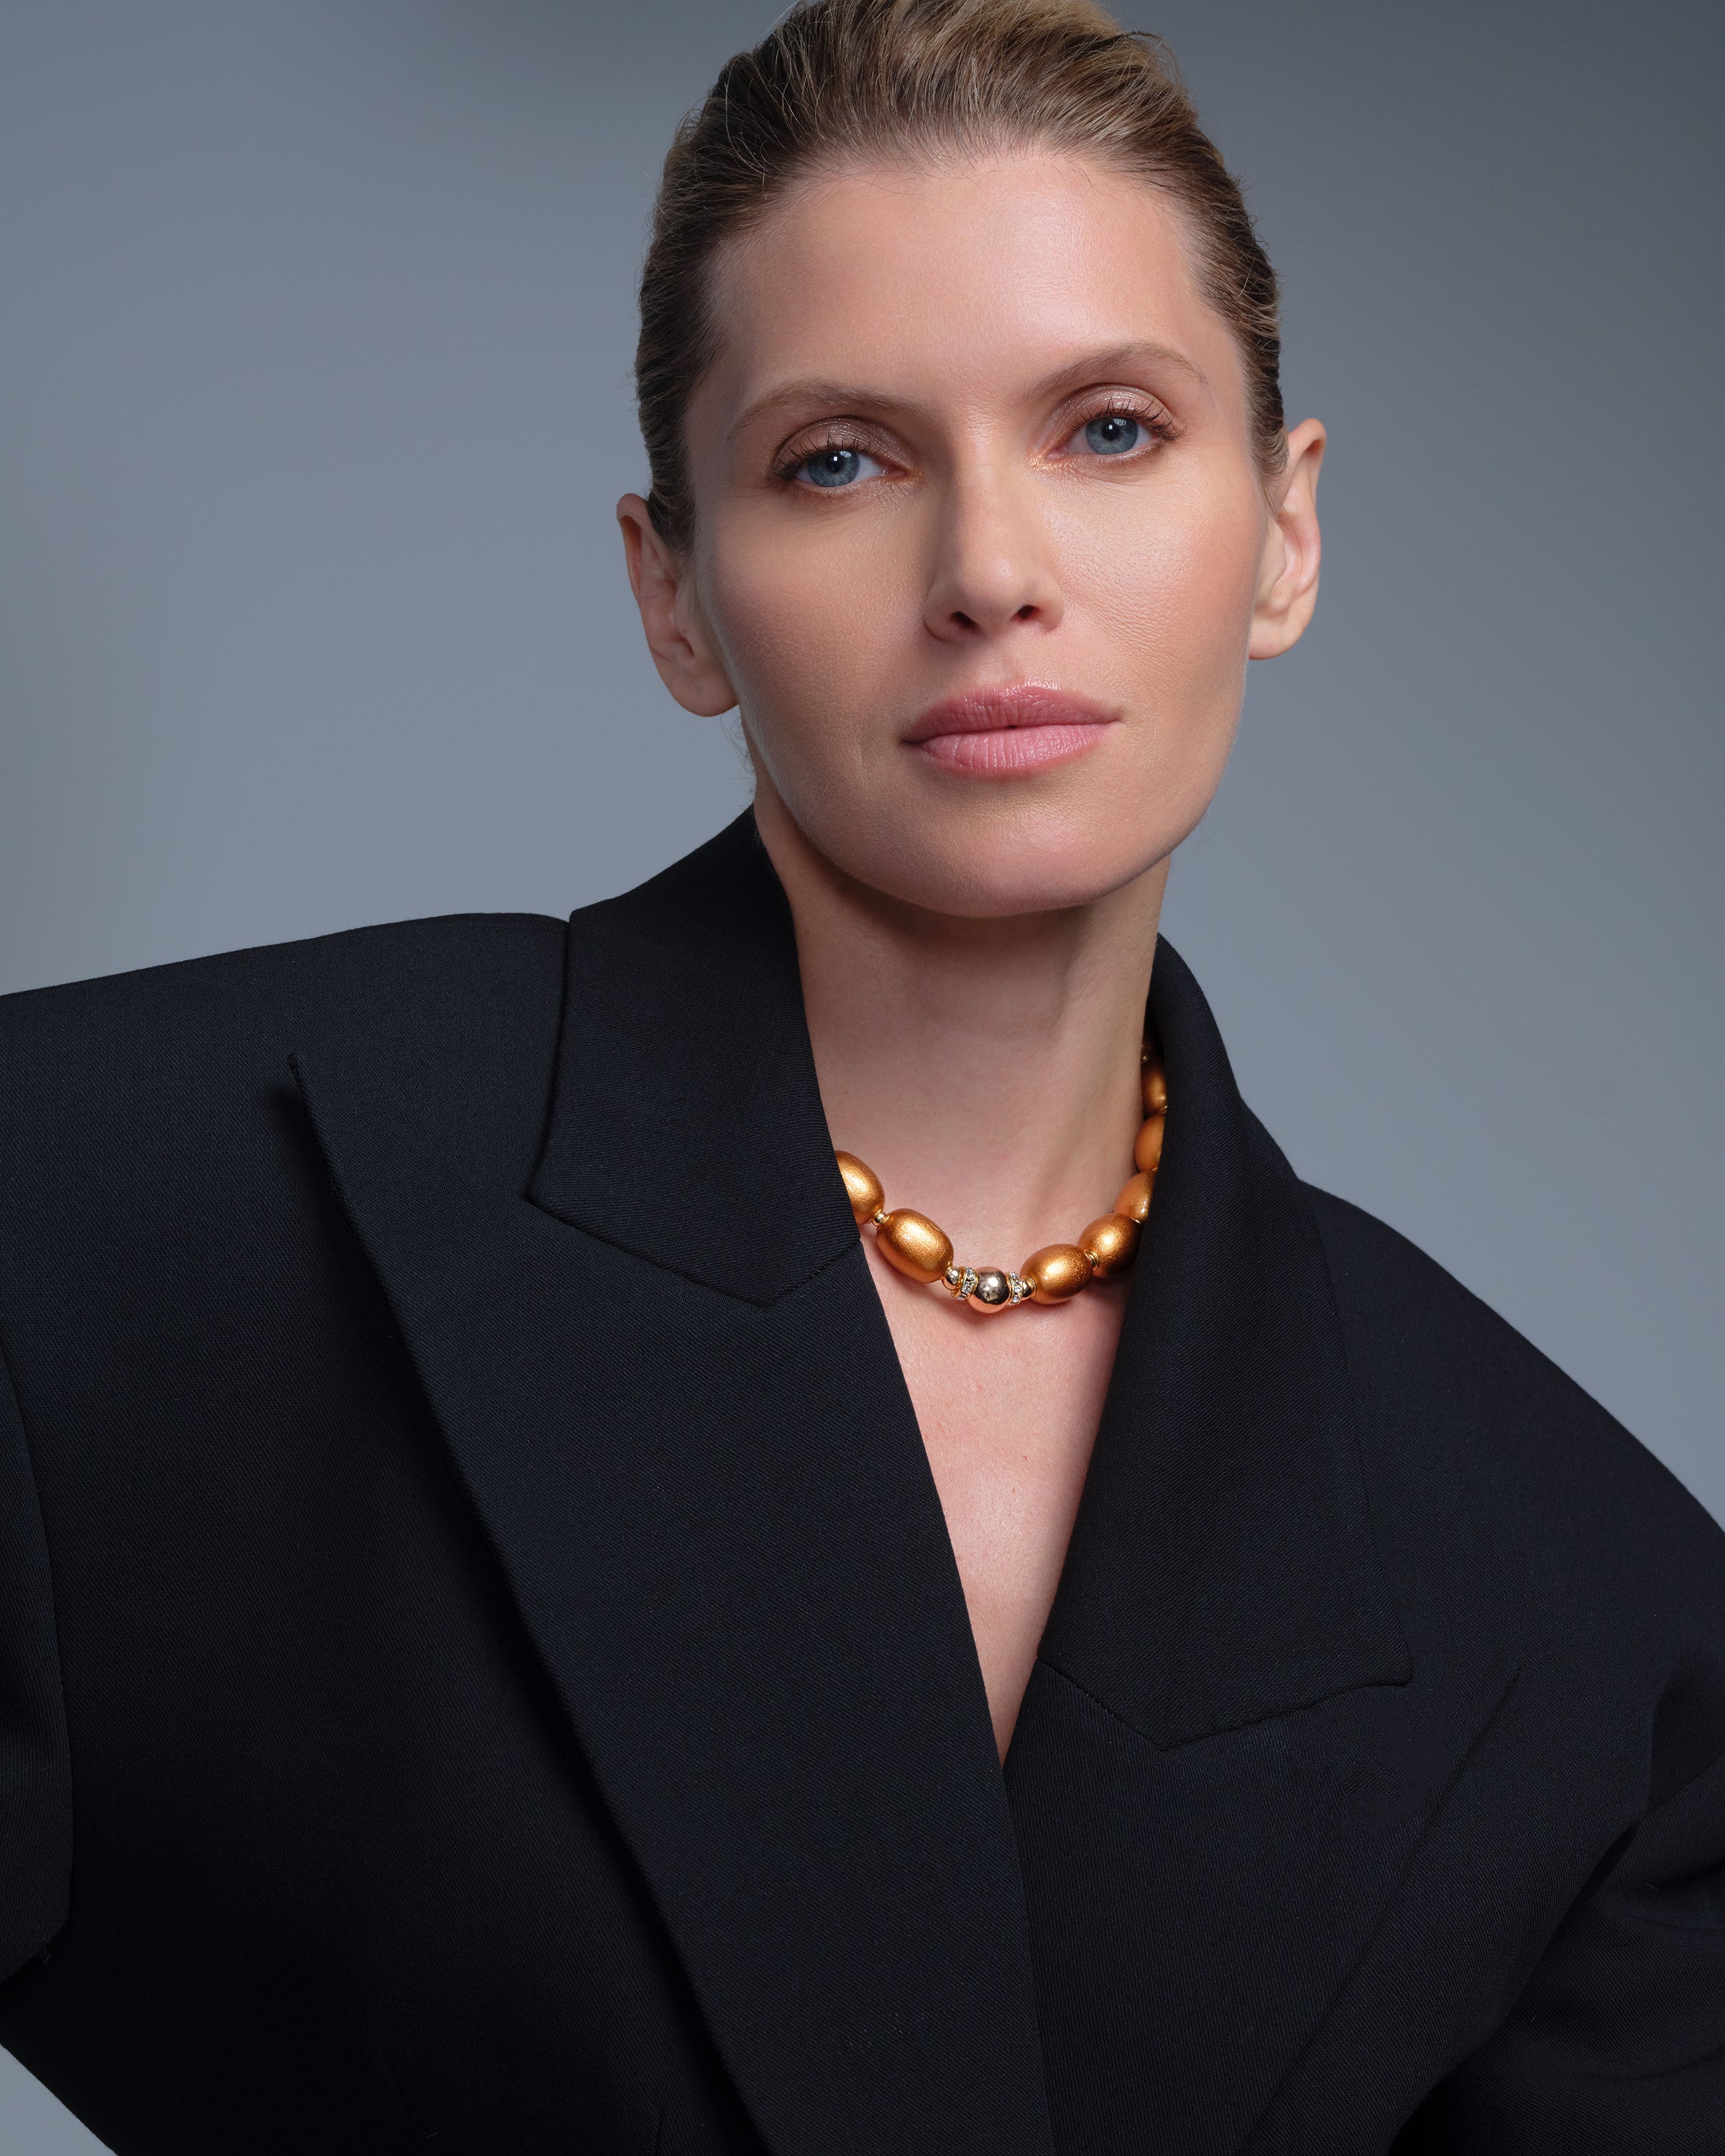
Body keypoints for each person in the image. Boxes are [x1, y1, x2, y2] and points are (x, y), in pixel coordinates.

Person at [1, 0, 1720, 2148]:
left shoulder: (1588, 1604)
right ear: (676, 598)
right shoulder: (109, 1223)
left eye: (1109, 429)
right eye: (840, 460)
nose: (989, 573)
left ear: (1284, 531)